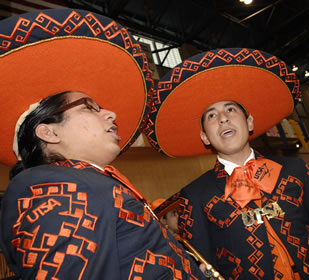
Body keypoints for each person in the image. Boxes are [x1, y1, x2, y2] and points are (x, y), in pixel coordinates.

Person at [0, 9, 207, 280]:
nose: (111, 114)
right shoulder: (55, 191)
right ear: (49, 133)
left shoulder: (82, 184)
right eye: (90, 107)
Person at [144, 48, 309, 279]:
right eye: (211, 116)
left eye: (230, 109)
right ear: (205, 137)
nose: (223, 118)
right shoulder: (195, 195)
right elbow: (202, 263)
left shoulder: (295, 170)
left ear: (249, 122)